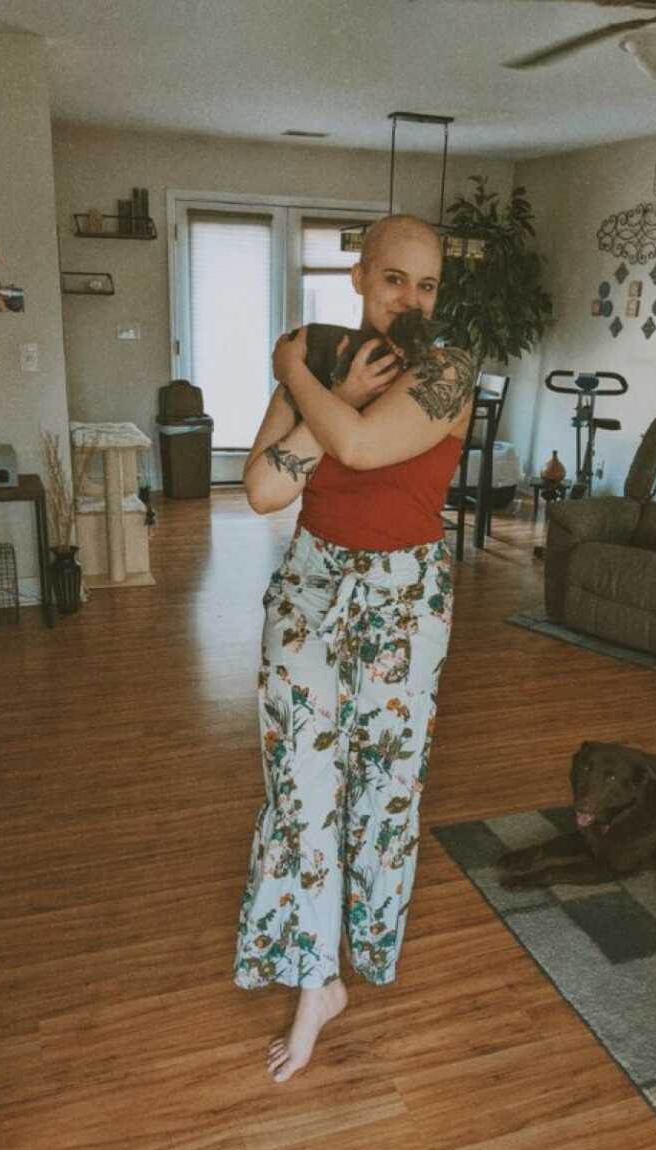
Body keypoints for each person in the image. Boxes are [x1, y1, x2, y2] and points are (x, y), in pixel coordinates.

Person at [232, 213, 474, 1082]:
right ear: (362, 279)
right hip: (310, 585)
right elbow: (262, 488)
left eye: (428, 284)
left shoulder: (448, 370)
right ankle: (315, 980)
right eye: (395, 279)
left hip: (405, 599)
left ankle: (349, 954)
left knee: (382, 788)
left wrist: (293, 368)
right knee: (302, 785)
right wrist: (312, 394)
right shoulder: (326, 364)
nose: (411, 299)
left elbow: (367, 445)